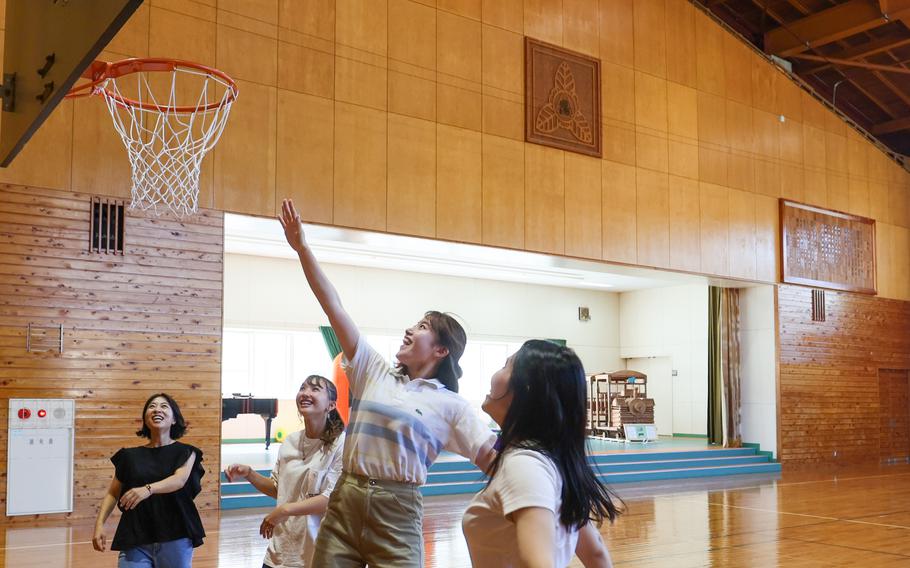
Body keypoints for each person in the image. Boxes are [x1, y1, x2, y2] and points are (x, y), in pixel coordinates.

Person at [278, 198, 496, 568]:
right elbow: (334, 306)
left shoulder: (451, 406)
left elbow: (493, 458)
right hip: (345, 502)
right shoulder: (372, 371)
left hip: (398, 514)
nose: (409, 330)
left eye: (422, 327)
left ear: (441, 350)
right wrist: (302, 248)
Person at [462, 340, 622, 568]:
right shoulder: (548, 460)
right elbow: (596, 554)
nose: (496, 373)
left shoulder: (525, 465)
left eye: (506, 365)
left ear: (526, 390)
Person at [224, 375, 346, 568]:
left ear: (330, 405)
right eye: (303, 388)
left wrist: (285, 510)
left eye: (315, 389)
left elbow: (331, 498)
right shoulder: (290, 442)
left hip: (317, 554)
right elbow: (279, 489)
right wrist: (249, 473)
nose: (306, 393)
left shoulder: (341, 444)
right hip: (280, 553)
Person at [92, 393, 206, 568]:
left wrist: (148, 489)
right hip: (135, 536)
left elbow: (179, 480)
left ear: (174, 419)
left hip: (176, 535)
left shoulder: (186, 452)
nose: (157, 409)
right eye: (152, 406)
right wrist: (99, 525)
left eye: (164, 406)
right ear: (145, 418)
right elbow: (112, 493)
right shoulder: (129, 456)